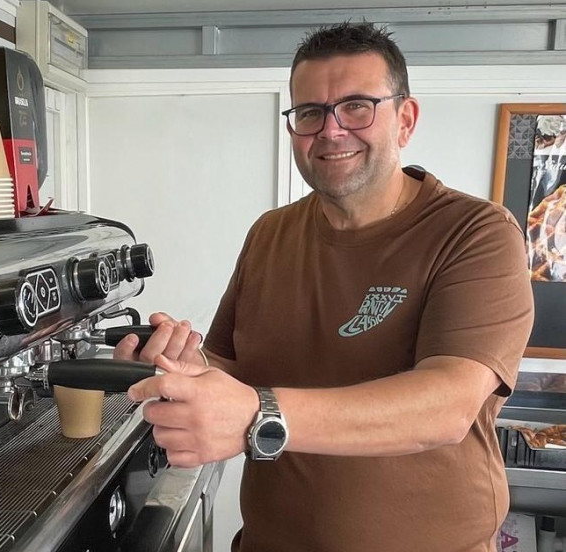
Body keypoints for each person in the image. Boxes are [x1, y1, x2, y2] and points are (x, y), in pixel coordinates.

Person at [115, 21, 534, 552]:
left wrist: (255, 414)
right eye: (310, 113)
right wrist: (181, 373)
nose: (331, 131)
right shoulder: (270, 232)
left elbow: (447, 406)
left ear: (405, 120)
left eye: (357, 106)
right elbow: (230, 365)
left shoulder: (476, 232)